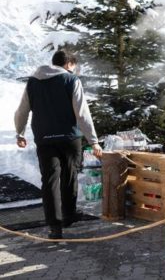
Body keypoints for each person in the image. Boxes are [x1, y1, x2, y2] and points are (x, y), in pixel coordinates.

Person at [14, 50, 102, 239]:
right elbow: (82, 113)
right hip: (69, 138)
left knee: (49, 180)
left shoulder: (33, 81)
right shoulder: (71, 80)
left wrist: (19, 133)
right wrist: (93, 141)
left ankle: (54, 226)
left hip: (44, 138)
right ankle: (69, 216)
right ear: (69, 64)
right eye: (74, 67)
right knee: (69, 176)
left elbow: (22, 110)